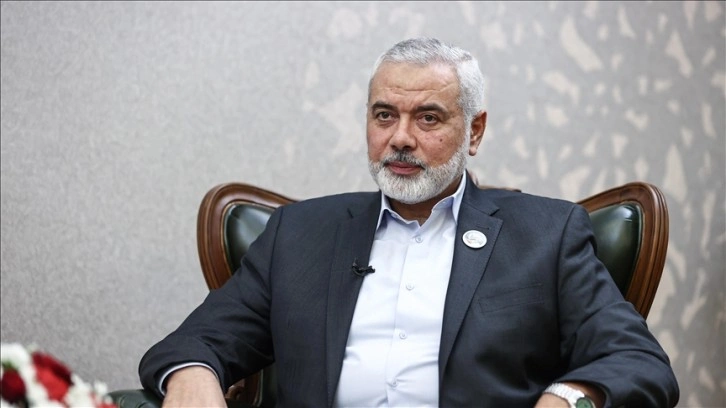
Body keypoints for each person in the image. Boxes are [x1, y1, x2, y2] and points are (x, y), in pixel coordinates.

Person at [139, 37, 679, 408]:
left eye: (428, 118)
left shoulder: (547, 235)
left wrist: (568, 398)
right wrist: (193, 374)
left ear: (474, 132)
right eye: (384, 115)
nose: (400, 137)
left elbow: (637, 362)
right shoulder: (298, 234)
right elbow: (195, 342)